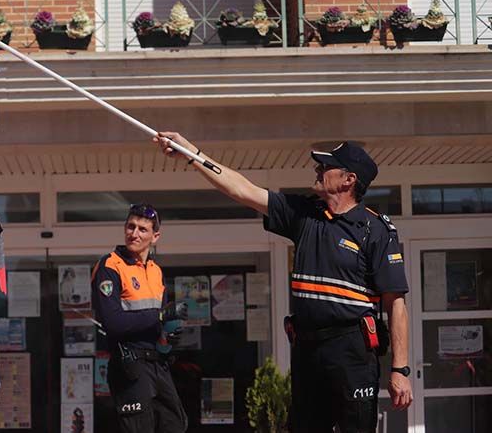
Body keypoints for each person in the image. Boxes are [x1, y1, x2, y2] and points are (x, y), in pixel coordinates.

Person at [155, 135, 412, 433]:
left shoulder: (375, 230)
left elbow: (396, 303)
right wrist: (192, 153)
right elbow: (242, 189)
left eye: (326, 167)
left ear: (348, 180)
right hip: (307, 350)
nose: (317, 170)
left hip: (351, 351)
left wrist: (400, 369)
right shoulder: (304, 215)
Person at [92, 204, 188, 433]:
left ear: (155, 237)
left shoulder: (156, 271)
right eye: (130, 226)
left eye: (142, 229)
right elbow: (113, 323)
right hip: (130, 366)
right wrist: (160, 315)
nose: (134, 233)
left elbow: (159, 324)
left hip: (158, 364)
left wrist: (168, 336)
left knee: (176, 424)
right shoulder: (110, 265)